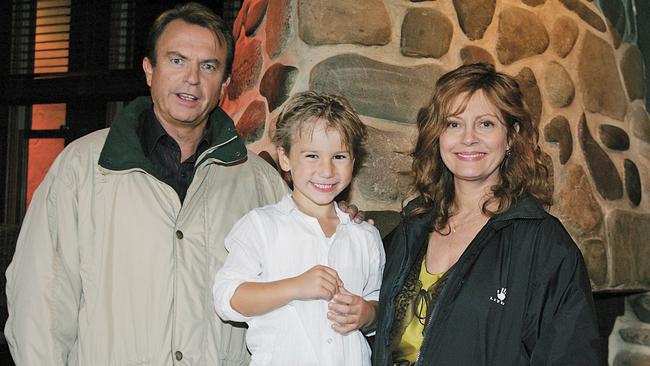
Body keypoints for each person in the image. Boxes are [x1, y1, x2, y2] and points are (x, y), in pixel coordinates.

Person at [3, 3, 359, 365]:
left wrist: (338, 220)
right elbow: (40, 302)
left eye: (208, 66)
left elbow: (304, 286)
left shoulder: (259, 181)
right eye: (176, 60)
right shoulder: (81, 169)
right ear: (149, 70)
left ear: (223, 84)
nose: (192, 78)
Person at [372, 63, 602, 365]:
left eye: (486, 124)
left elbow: (572, 356)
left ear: (510, 137)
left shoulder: (543, 244)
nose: (468, 138)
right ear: (438, 136)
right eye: (454, 124)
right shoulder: (410, 230)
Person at [213, 91, 386, 366]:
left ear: (354, 161)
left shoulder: (364, 235)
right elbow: (227, 298)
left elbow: (378, 301)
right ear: (285, 158)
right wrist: (295, 287)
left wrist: (367, 314)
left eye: (339, 156)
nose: (326, 170)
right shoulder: (261, 226)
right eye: (312, 155)